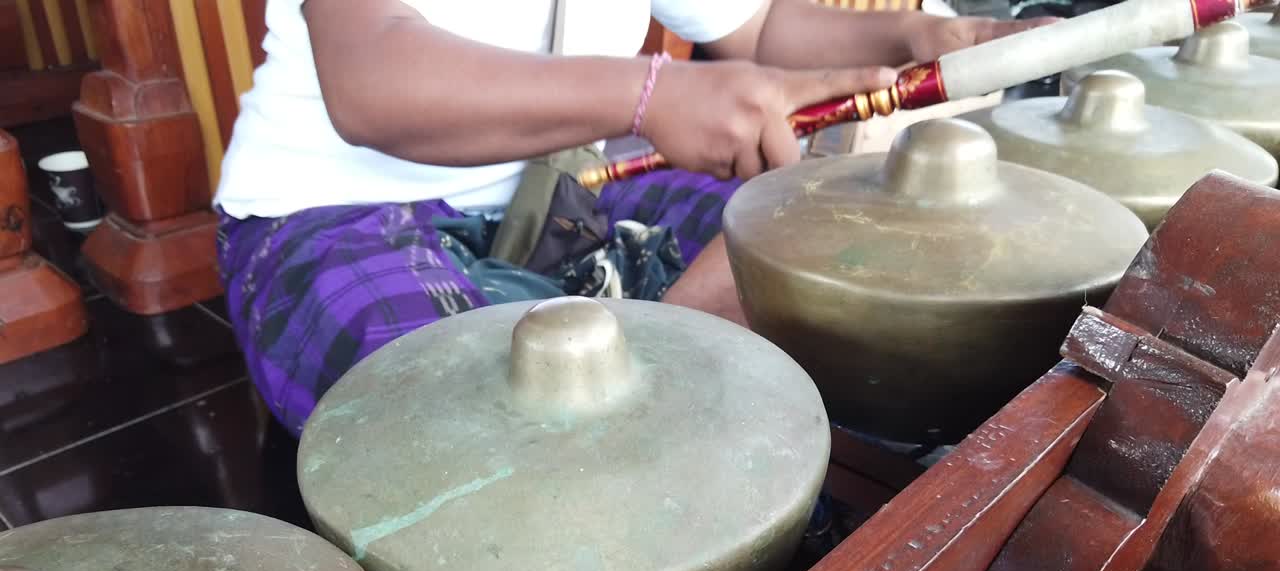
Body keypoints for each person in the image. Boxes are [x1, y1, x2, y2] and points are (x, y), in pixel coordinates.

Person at [214, 0, 1050, 436]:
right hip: (333, 211)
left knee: (807, 232)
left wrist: (925, 34)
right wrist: (653, 93)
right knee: (454, 427)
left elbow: (757, 24)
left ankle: (638, 406)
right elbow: (374, 80)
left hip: (572, 181)